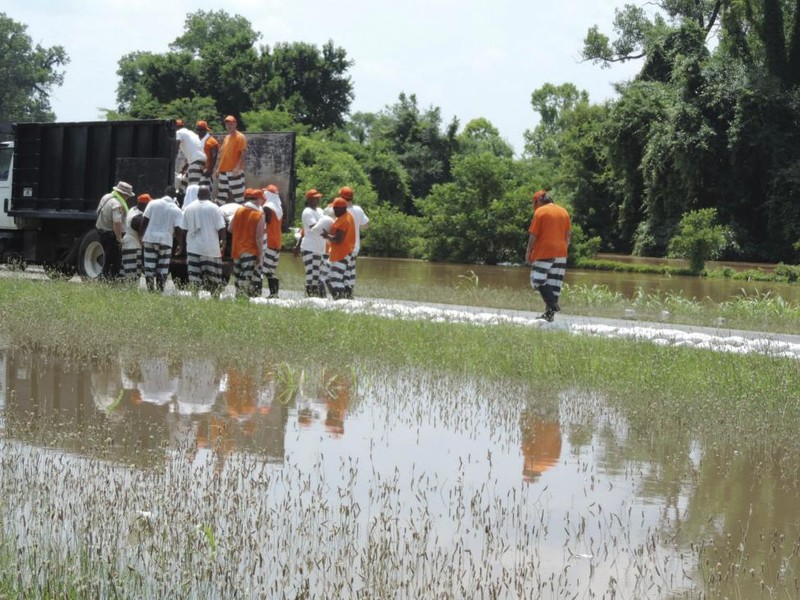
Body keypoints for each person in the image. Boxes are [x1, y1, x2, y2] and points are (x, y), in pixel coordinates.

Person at [525, 190, 571, 322]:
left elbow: (533, 235)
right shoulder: (564, 212)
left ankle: (552, 305)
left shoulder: (540, 212)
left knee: (537, 279)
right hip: (562, 252)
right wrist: (563, 250)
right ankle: (549, 315)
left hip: (544, 251)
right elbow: (568, 235)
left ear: (539, 201)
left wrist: (528, 252)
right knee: (554, 284)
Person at [181, 185, 226, 296]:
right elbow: (221, 228)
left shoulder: (189, 208)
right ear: (209, 195)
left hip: (193, 249)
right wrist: (224, 242)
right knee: (213, 280)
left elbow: (183, 230)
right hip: (210, 250)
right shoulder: (214, 208)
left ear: (197, 195)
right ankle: (215, 299)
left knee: (194, 280)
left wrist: (182, 246)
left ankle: (195, 299)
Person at [140, 187, 185, 292]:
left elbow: (144, 220)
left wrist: (142, 236)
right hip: (166, 241)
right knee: (163, 268)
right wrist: (180, 245)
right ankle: (160, 291)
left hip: (150, 239)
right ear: (174, 197)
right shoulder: (177, 210)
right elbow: (178, 230)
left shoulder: (152, 204)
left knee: (149, 267)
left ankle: (151, 291)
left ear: (164, 193)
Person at [230, 188, 266, 298]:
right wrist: (260, 255)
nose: (262, 202)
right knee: (246, 277)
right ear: (258, 200)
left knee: (237, 276)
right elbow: (258, 237)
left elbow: (230, 229)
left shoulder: (238, 211)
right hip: (250, 250)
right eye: (261, 200)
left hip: (236, 249)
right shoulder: (259, 215)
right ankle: (242, 299)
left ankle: (237, 296)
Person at [95, 180, 134, 280]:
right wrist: (119, 239)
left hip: (102, 232)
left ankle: (105, 279)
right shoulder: (117, 204)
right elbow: (117, 222)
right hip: (111, 235)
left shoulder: (106, 197)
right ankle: (109, 280)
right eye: (127, 195)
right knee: (114, 260)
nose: (128, 198)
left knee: (107, 258)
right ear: (123, 194)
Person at [322, 197, 355, 300]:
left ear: (343, 208)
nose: (334, 210)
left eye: (335, 208)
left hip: (342, 253)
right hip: (336, 252)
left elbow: (338, 239)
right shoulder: (344, 216)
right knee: (326, 277)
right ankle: (338, 300)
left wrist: (326, 236)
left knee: (335, 280)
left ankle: (342, 302)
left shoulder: (344, 220)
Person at [340, 186, 369, 298]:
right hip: (355, 246)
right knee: (351, 269)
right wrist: (356, 226)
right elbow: (366, 225)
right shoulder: (358, 209)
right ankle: (350, 294)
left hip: (344, 245)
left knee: (343, 270)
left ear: (342, 197)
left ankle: (344, 295)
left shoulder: (341, 210)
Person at [297, 188, 327, 297]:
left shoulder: (320, 210)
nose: (318, 200)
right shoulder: (307, 212)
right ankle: (310, 298)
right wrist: (328, 232)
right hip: (310, 248)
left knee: (319, 275)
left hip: (320, 248)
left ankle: (316, 298)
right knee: (312, 275)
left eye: (318, 198)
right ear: (309, 199)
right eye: (315, 198)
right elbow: (314, 227)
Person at [216, 115, 247, 205]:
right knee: (221, 195)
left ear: (235, 124)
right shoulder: (226, 137)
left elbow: (243, 153)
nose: (229, 126)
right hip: (223, 171)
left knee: (239, 195)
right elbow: (223, 154)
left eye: (231, 124)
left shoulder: (240, 137)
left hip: (234, 170)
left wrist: (237, 167)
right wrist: (218, 168)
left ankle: (243, 215)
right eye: (227, 124)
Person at [121, 193, 150, 282]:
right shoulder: (139, 218)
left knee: (127, 275)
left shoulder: (132, 210)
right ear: (144, 205)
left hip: (127, 245)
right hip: (134, 248)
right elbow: (142, 236)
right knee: (133, 277)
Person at [262, 184, 283, 297]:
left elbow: (265, 222)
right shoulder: (279, 207)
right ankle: (274, 295)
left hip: (269, 243)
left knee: (261, 271)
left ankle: (254, 294)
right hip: (277, 243)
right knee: (271, 271)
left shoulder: (267, 207)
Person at [175, 120, 206, 188]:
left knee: (193, 188)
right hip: (201, 162)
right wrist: (185, 168)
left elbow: (175, 148)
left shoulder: (178, 132)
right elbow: (194, 150)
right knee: (183, 186)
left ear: (176, 127)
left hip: (196, 163)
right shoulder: (191, 133)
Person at [196, 120, 219, 189]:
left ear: (206, 130)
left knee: (205, 189)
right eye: (197, 129)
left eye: (201, 130)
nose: (199, 131)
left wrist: (210, 170)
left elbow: (214, 156)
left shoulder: (212, 141)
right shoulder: (197, 140)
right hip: (198, 168)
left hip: (207, 168)